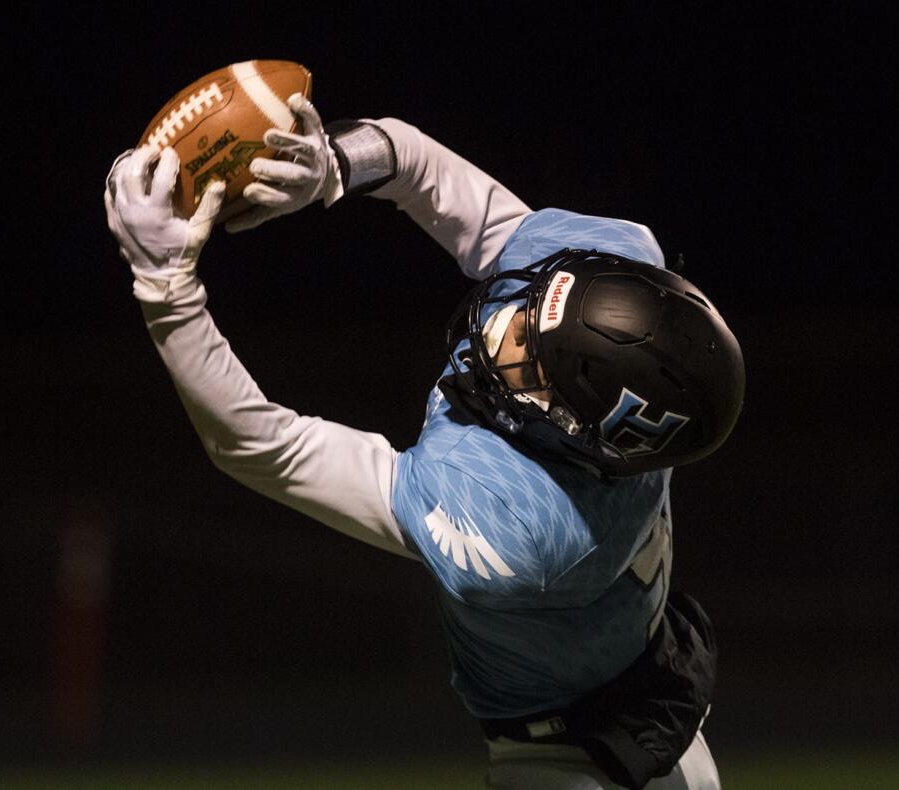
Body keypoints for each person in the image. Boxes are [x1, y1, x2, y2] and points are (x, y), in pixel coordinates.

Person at [104, 92, 744, 789]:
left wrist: (165, 288)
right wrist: (333, 164)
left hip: (562, 759)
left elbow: (258, 444)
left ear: (579, 441)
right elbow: (415, 164)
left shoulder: (525, 530)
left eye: (530, 354)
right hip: (662, 702)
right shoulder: (614, 268)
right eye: (534, 309)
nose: (505, 328)